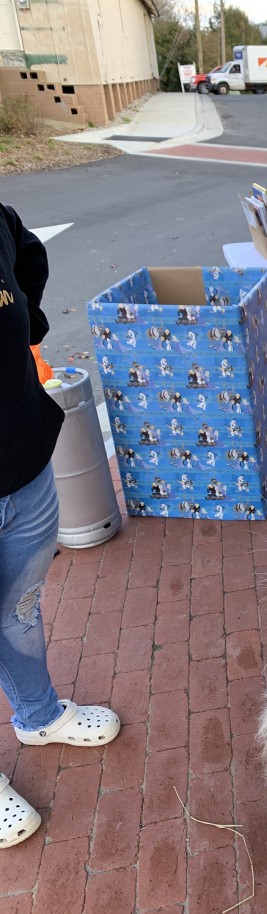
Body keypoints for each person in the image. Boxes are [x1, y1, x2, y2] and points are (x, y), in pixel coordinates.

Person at [0, 203, 120, 849]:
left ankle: (39, 716)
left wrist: (29, 322)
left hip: (22, 462)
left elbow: (26, 255)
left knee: (19, 608)